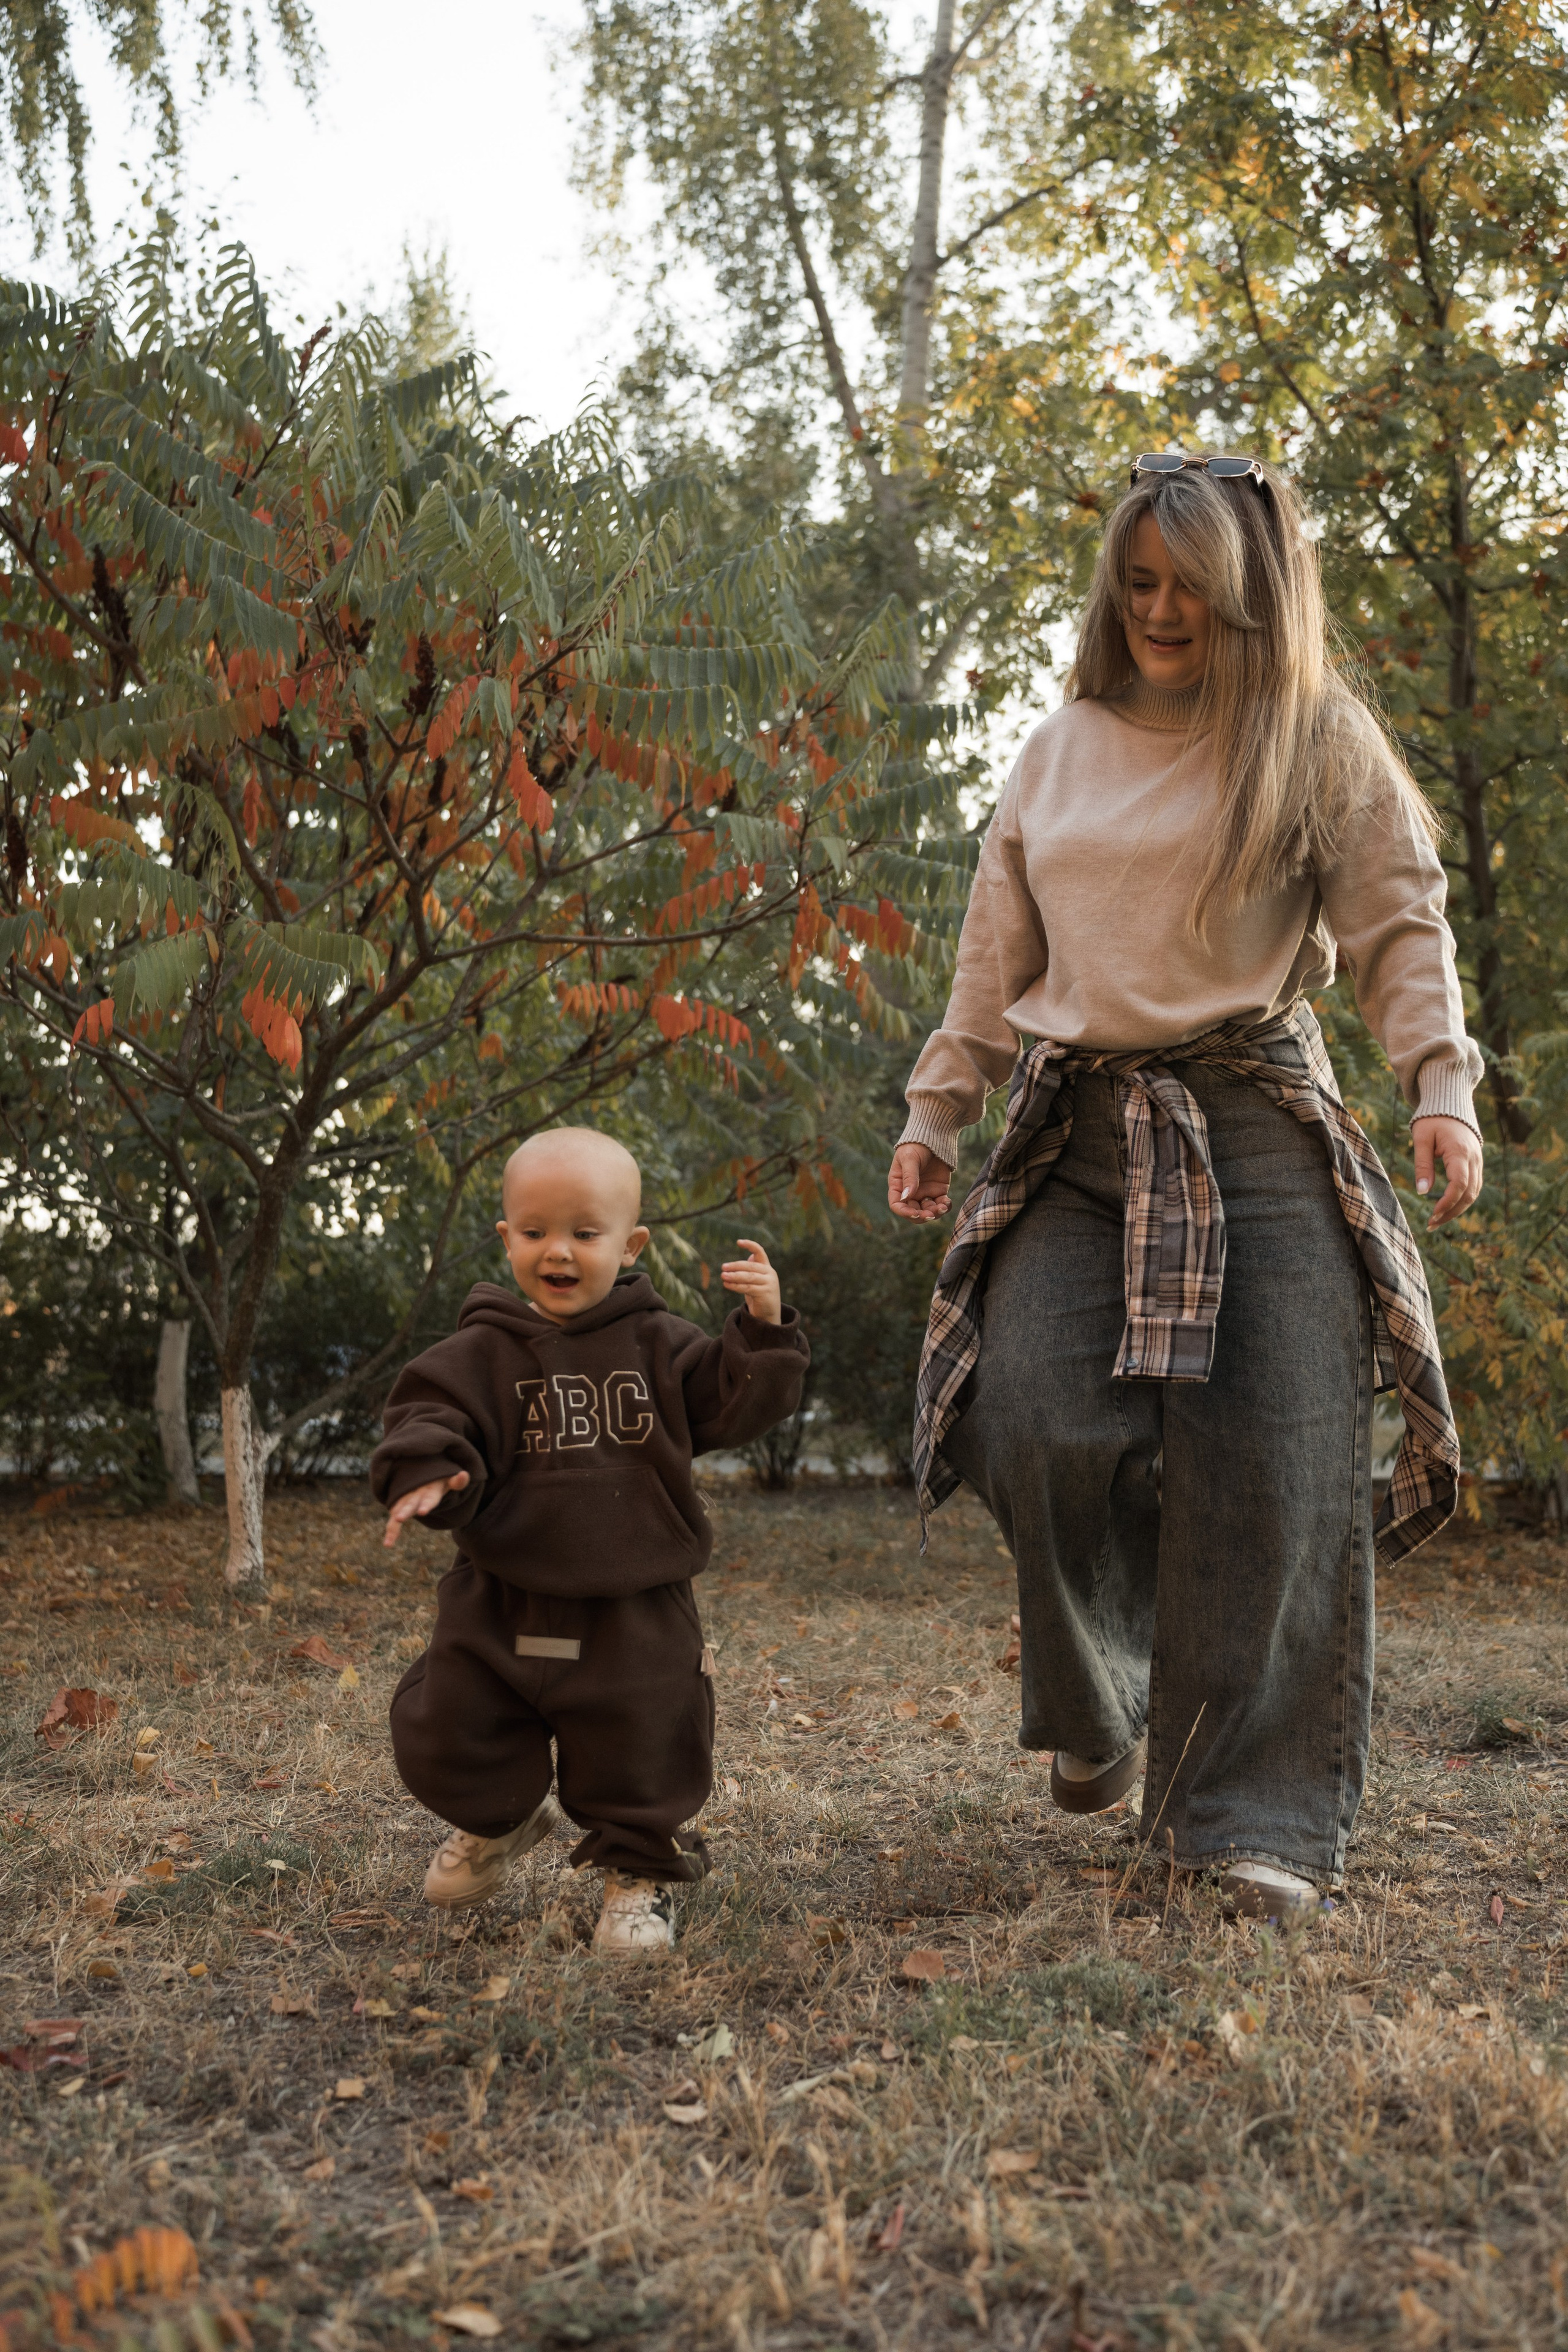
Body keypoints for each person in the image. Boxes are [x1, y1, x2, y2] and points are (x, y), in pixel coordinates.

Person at [888, 452, 1483, 1921]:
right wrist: (936, 1108)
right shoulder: (1059, 747)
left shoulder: (1314, 740)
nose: (1158, 611)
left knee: (1268, 1470)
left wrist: (1437, 1086)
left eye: (1192, 589)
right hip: (1076, 1133)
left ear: (1254, 596)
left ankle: (1247, 1827)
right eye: (1138, 583)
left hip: (1252, 1124)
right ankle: (1100, 1694)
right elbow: (994, 949)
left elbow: (1399, 924)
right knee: (1025, 1416)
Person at [371, 1127, 809, 1951]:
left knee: (641, 1744)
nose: (558, 1251)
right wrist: (430, 1471)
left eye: (584, 1232)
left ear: (630, 1245)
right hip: (501, 1594)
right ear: (507, 1238)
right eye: (535, 1231)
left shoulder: (659, 1344)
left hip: (632, 1604)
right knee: (452, 1720)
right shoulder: (475, 1353)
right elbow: (429, 1416)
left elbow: (732, 1401)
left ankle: (636, 1877)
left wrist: (763, 1328)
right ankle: (497, 1820)